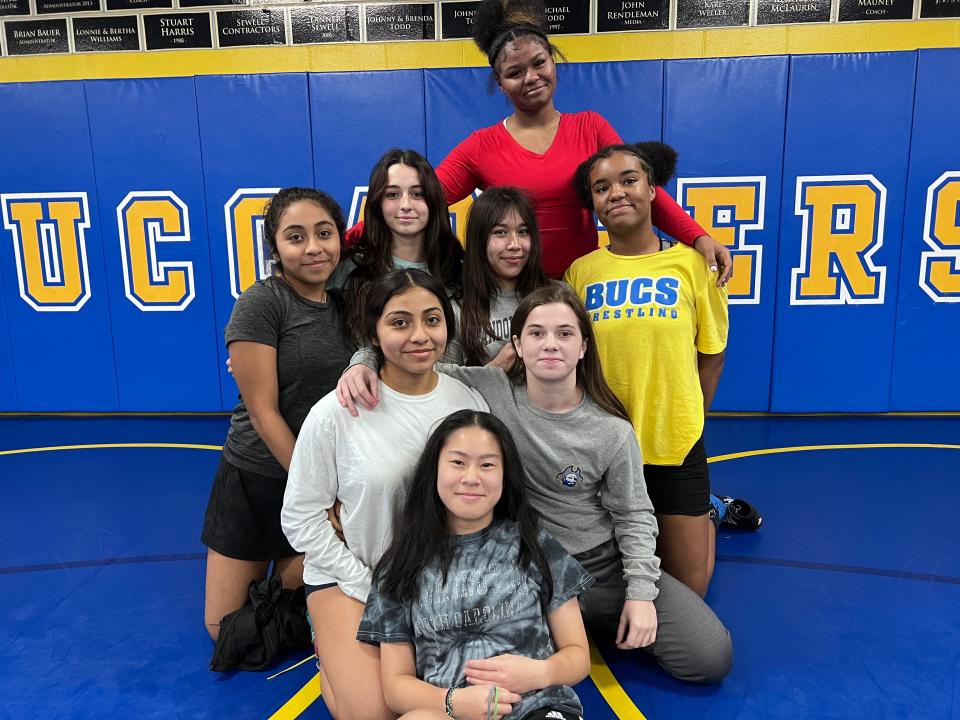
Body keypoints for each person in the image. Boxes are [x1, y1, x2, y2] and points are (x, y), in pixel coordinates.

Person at [338, 283, 733, 684]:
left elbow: (633, 514)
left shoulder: (610, 431)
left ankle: (711, 518)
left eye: (564, 333)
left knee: (709, 658)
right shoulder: (491, 389)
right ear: (517, 345)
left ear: (582, 347)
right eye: (536, 333)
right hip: (522, 566)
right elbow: (415, 360)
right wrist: (363, 360)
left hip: (598, 566)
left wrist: (641, 595)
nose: (550, 344)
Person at [281, 269, 488, 719]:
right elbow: (299, 517)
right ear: (373, 332)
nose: (419, 335)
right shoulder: (336, 411)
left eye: (432, 320)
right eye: (399, 322)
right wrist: (366, 584)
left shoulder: (468, 404)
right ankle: (327, 647)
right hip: (352, 579)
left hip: (436, 584)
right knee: (374, 713)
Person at [565, 144, 728, 598]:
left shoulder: (693, 264)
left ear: (652, 189)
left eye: (628, 180)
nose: (616, 193)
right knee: (609, 589)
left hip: (672, 444)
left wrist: (688, 417)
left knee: (687, 593)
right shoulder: (580, 273)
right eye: (602, 187)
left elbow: (711, 355)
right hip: (606, 451)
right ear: (593, 203)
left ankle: (708, 514)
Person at [358, 410, 593, 720]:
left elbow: (578, 656)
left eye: (487, 465)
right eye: (457, 462)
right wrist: (453, 701)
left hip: (537, 708)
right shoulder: (400, 565)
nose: (471, 478)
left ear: (505, 474)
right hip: (451, 712)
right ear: (435, 470)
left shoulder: (533, 543)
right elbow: (396, 687)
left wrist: (539, 672)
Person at [201, 188, 354, 641]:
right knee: (224, 630)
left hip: (325, 476)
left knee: (301, 603)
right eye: (295, 237)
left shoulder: (347, 303)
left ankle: (295, 581)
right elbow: (264, 412)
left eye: (324, 233)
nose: (313, 248)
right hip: (259, 476)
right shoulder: (261, 304)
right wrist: (319, 495)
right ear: (276, 249)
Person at [334, 148, 466, 361]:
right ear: (378, 203)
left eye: (417, 194)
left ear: (433, 200)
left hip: (456, 390)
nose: (405, 205)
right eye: (392, 194)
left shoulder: (462, 271)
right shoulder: (350, 274)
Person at [460, 186, 549, 368]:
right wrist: (495, 370)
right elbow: (442, 386)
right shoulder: (456, 308)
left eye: (523, 231)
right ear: (479, 239)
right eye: (501, 232)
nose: (515, 244)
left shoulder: (558, 295)